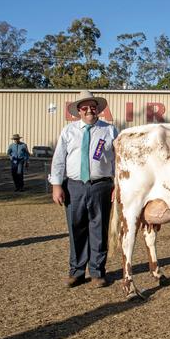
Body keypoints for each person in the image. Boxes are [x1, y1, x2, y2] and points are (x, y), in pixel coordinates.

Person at [50, 90, 118, 288]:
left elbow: (119, 160)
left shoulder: (110, 130)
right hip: (74, 186)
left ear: (98, 110)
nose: (90, 111)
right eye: (85, 108)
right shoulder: (68, 131)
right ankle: (77, 272)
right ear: (78, 111)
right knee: (76, 228)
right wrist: (56, 186)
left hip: (102, 186)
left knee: (99, 229)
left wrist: (118, 185)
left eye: (93, 107)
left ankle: (97, 272)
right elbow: (59, 160)